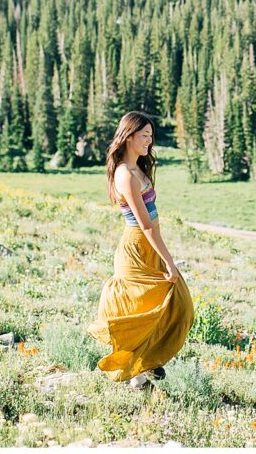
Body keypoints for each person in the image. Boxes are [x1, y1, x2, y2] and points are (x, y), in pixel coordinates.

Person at [86, 111, 194, 386]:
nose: (149, 140)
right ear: (128, 135)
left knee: (174, 306)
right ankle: (140, 370)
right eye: (143, 135)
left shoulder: (138, 169)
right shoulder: (125, 175)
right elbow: (146, 226)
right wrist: (170, 262)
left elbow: (153, 228)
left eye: (150, 135)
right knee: (149, 307)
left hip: (149, 245)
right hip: (137, 247)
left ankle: (145, 369)